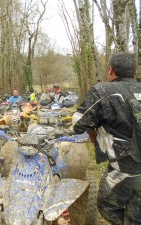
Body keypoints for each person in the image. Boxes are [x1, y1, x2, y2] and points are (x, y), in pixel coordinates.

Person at [72, 52, 141, 224]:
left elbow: (78, 123)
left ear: (111, 70)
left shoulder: (104, 90)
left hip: (126, 169)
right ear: (134, 71)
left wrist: (93, 130)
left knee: (105, 205)